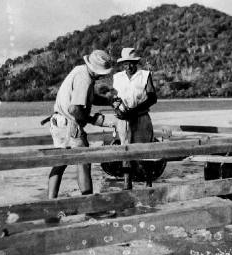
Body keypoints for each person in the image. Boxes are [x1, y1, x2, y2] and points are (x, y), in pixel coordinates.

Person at [48, 50, 113, 199]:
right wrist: (92, 120)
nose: (102, 76)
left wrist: (108, 101)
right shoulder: (85, 79)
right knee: (84, 161)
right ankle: (88, 205)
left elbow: (87, 97)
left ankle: (50, 203)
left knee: (59, 163)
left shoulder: (80, 70)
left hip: (58, 122)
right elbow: (75, 109)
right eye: (102, 73)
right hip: (70, 124)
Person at [112, 47, 158, 189]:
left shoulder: (145, 75)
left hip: (141, 117)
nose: (129, 66)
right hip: (123, 119)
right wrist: (116, 107)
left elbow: (152, 97)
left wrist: (134, 110)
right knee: (125, 151)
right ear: (122, 64)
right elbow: (115, 98)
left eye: (132, 62)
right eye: (126, 63)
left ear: (136, 62)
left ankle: (148, 182)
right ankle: (127, 182)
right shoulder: (117, 77)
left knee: (145, 151)